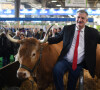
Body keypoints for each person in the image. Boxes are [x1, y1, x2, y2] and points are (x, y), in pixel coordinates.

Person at [48, 9, 100, 90]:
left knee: (72, 81)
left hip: (79, 63)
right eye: (78, 17)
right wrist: (45, 41)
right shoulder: (67, 29)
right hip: (65, 60)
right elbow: (56, 39)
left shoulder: (93, 32)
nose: (80, 20)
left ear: (86, 20)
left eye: (82, 18)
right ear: (75, 18)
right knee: (56, 71)